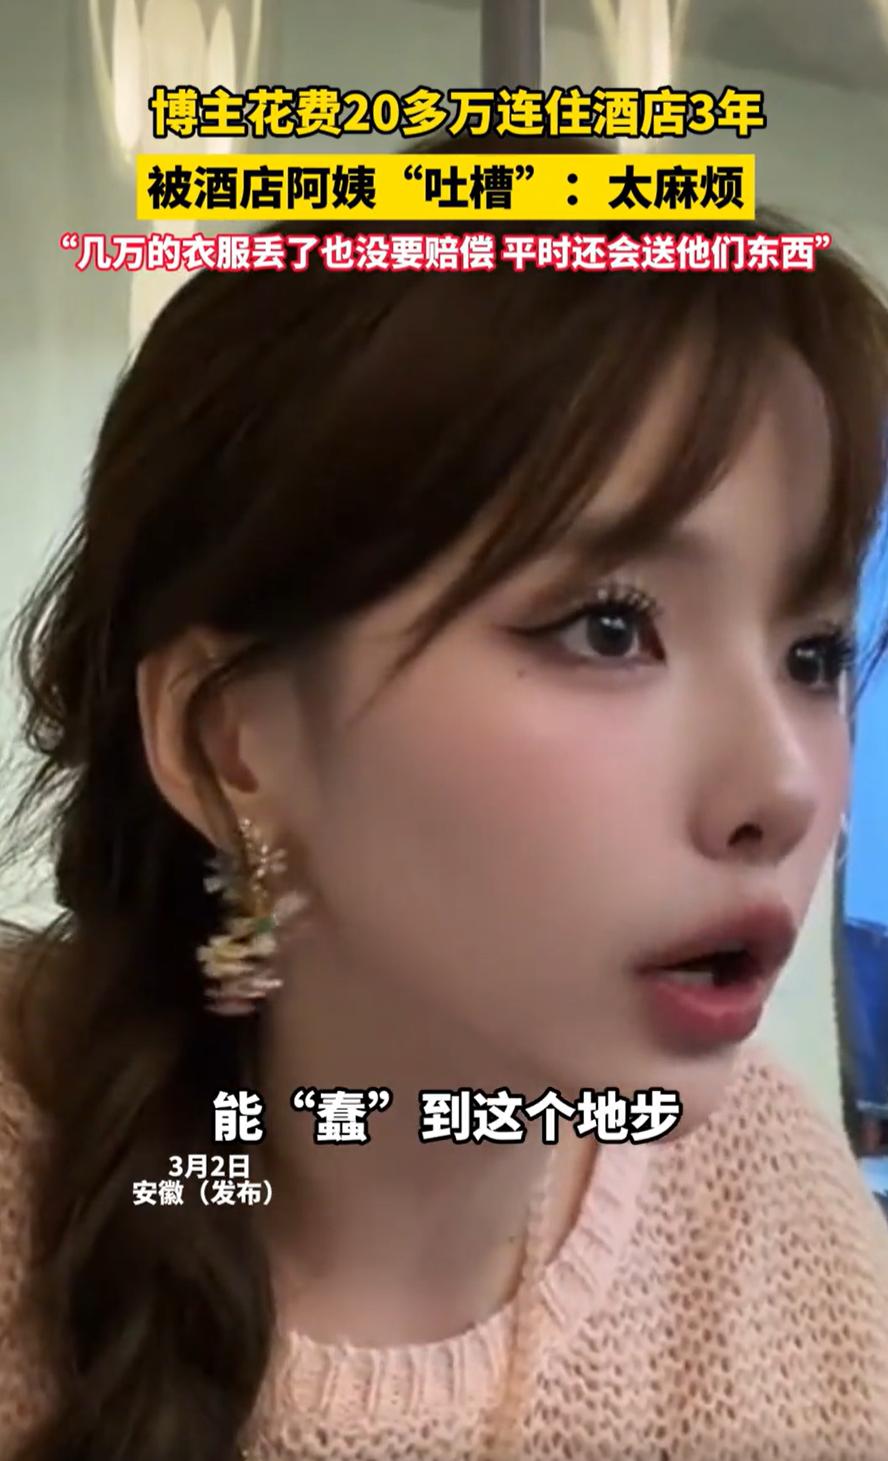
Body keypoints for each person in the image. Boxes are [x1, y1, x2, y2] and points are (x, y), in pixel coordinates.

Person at [2, 132, 888, 1461]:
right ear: (230, 742)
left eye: (812, 654)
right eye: (608, 628)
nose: (783, 788)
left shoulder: (769, 1202)